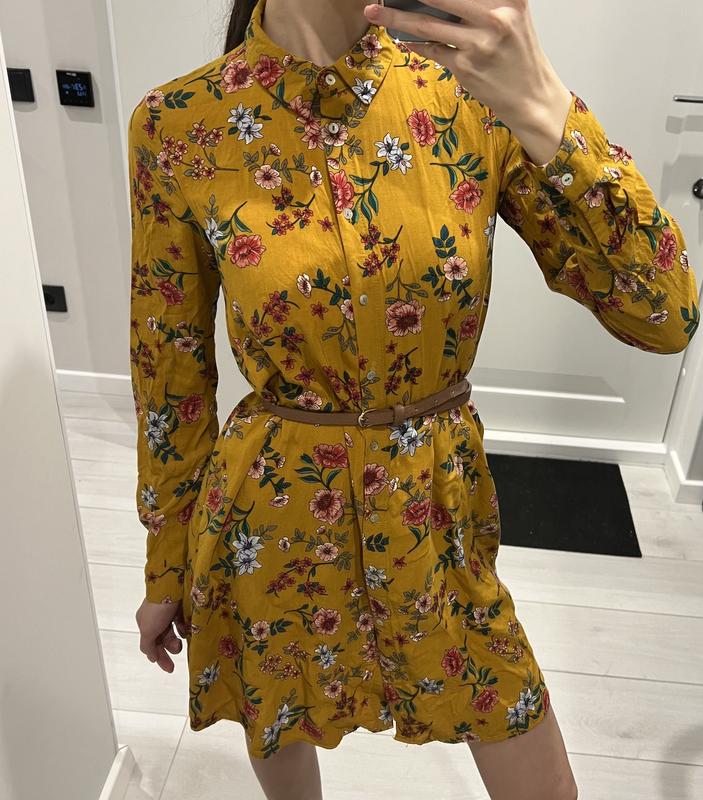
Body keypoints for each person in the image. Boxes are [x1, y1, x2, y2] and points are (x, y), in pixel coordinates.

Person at [128, 1, 699, 798]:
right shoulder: (178, 123)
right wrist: (165, 566)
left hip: (434, 507)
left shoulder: (466, 96)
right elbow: (170, 373)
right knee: (281, 705)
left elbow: (663, 314)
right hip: (273, 512)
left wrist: (543, 104)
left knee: (517, 727)